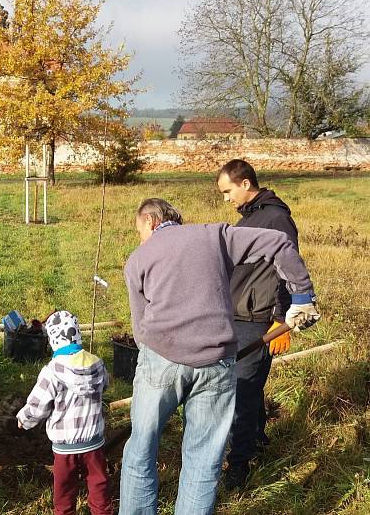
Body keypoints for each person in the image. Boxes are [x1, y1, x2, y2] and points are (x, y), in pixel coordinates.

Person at [119, 198, 320, 515]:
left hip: (161, 361)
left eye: (139, 230)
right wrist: (302, 296)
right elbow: (279, 242)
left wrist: (159, 355)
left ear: (150, 221)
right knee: (202, 461)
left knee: (141, 450)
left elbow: (139, 328)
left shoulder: (137, 259)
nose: (140, 238)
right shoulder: (214, 236)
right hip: (217, 363)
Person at [216, 159, 299, 488]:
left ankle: (239, 465)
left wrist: (281, 321)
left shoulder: (276, 219)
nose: (226, 199)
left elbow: (288, 270)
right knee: (247, 386)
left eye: (227, 191)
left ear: (245, 184)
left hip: (258, 317)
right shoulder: (252, 217)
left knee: (242, 391)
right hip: (238, 313)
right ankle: (258, 440)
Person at [17, 310, 114, 515]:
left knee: (64, 490)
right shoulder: (97, 364)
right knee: (98, 485)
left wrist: (23, 420)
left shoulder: (51, 371)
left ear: (53, 340)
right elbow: (105, 384)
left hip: (64, 447)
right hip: (94, 442)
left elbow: (37, 406)